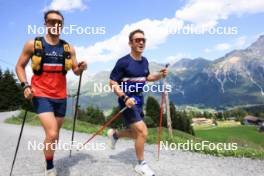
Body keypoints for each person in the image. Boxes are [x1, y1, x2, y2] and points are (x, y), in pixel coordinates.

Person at [16, 10, 87, 176]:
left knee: (54, 135)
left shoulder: (69, 48)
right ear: (45, 23)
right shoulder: (32, 44)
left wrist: (81, 67)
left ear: (62, 25)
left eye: (59, 23)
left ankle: (49, 158)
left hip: (61, 96)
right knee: (53, 132)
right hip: (40, 93)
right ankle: (49, 168)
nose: (56, 25)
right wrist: (25, 85)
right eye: (52, 21)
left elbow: (75, 71)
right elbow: (19, 66)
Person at [108, 29, 168, 176]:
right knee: (142, 131)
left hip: (140, 100)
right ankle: (141, 165)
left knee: (136, 134)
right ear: (130, 43)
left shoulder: (144, 61)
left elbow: (147, 77)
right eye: (137, 40)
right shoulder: (123, 62)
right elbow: (112, 82)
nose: (141, 42)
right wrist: (125, 98)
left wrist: (160, 75)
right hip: (127, 100)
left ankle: (115, 135)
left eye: (143, 40)